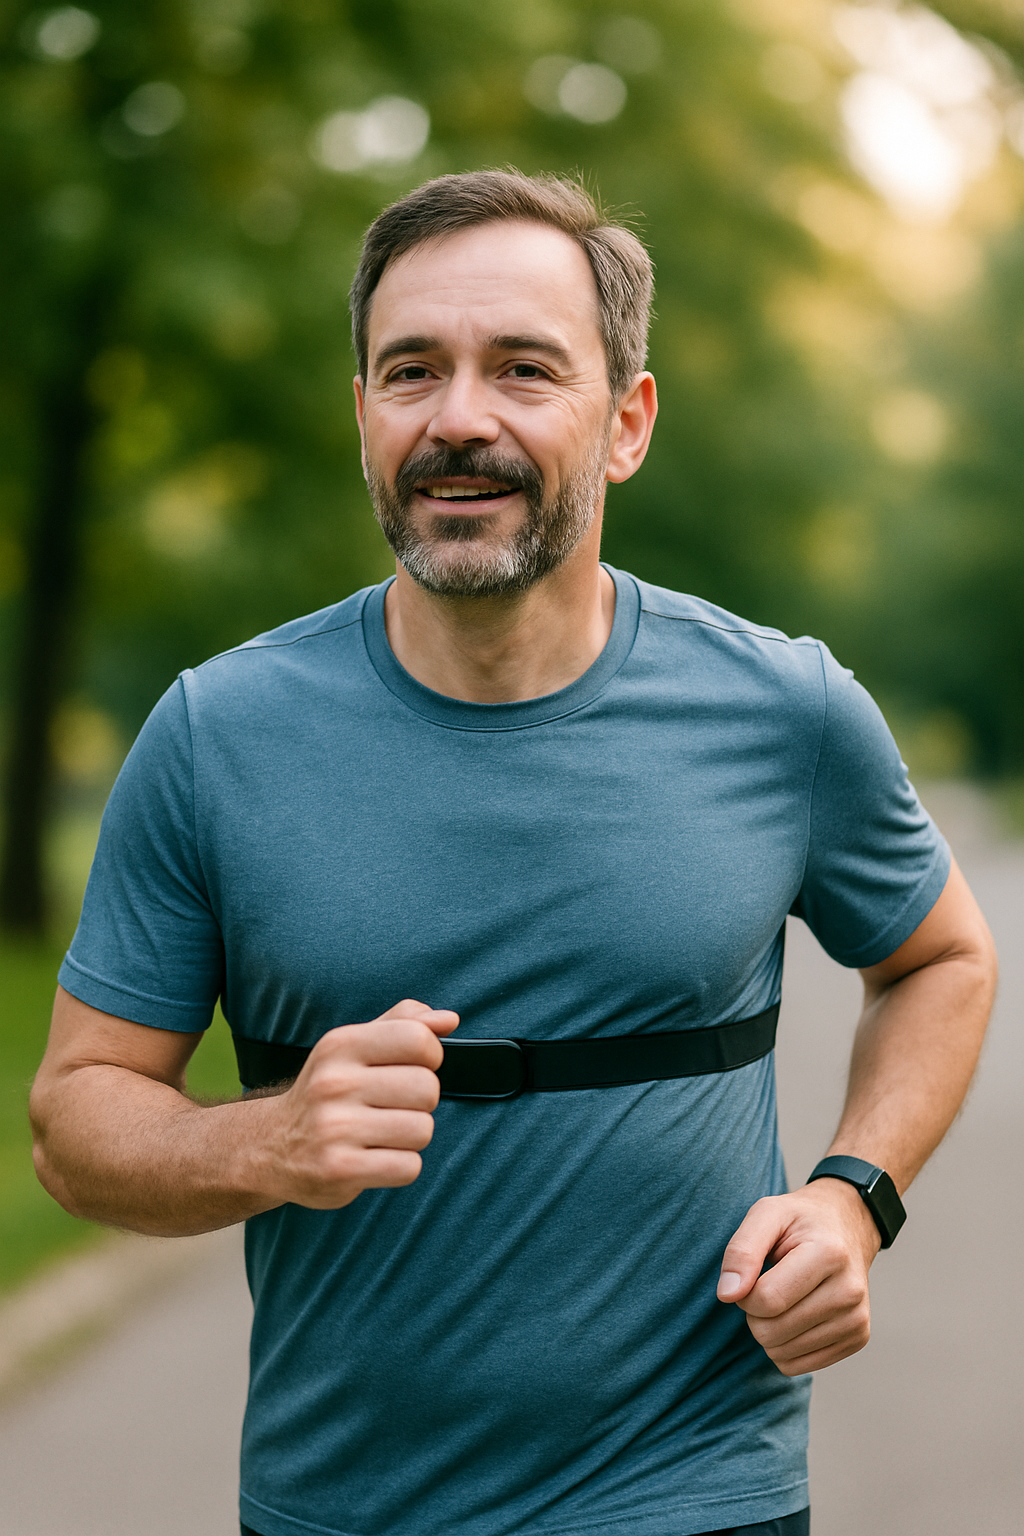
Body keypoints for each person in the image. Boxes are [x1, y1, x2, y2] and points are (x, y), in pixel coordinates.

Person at [30, 171, 996, 1536]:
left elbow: (943, 958)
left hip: (697, 1495)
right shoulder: (216, 736)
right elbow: (78, 1121)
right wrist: (272, 1139)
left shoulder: (783, 712)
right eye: (411, 371)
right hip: (342, 1507)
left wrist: (852, 1198)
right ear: (361, 415)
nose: (459, 420)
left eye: (525, 370)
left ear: (628, 423)